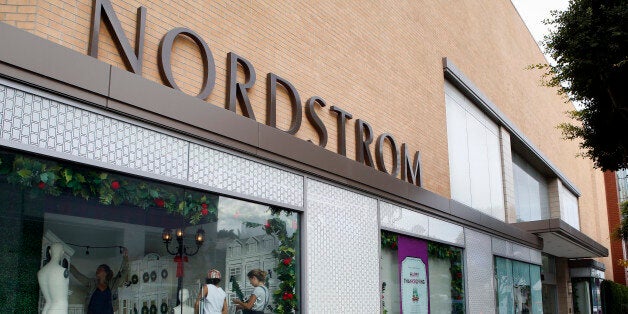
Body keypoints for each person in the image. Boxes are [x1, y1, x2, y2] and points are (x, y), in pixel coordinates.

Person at [69, 248, 129, 314]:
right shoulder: (92, 283)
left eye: (99, 269)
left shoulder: (113, 283)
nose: (97, 270)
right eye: (97, 269)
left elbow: (124, 272)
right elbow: (78, 275)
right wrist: (68, 264)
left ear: (105, 272)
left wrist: (125, 258)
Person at [37, 243, 69, 314]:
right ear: (62, 253)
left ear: (50, 252)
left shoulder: (40, 272)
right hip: (59, 309)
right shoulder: (63, 271)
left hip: (46, 308)